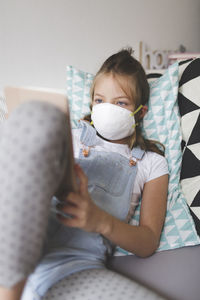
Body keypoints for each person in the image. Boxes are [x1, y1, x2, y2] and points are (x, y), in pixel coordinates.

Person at [0, 48, 168, 300]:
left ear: (140, 112)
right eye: (99, 100)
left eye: (120, 103)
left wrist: (102, 222)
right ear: (91, 102)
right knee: (37, 117)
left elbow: (148, 242)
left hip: (74, 267)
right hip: (18, 243)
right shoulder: (70, 134)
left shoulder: (152, 163)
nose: (107, 108)